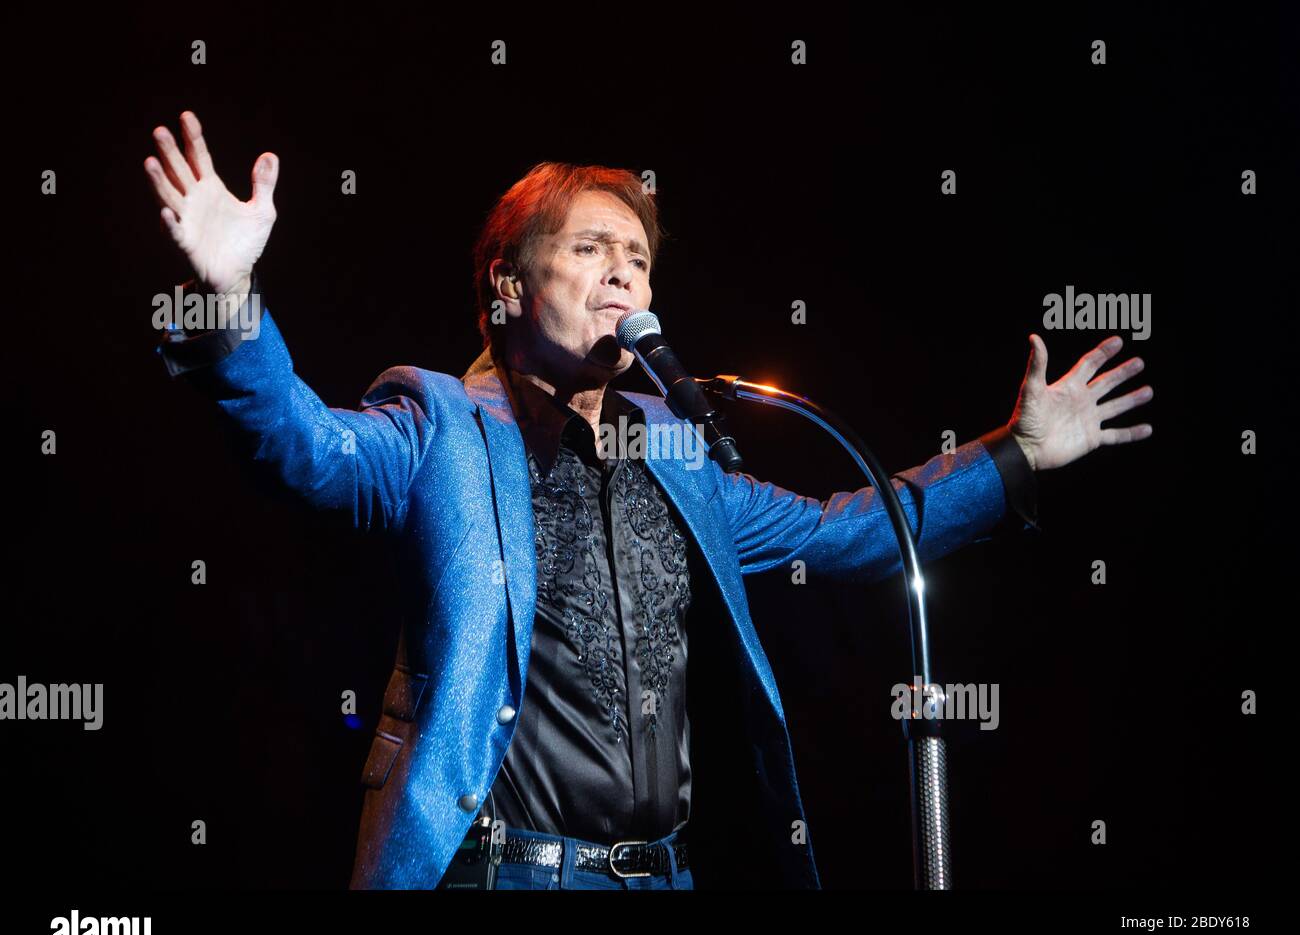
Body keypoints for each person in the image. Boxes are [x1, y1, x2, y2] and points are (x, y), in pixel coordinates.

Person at [143, 110, 1154, 889]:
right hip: (501, 874)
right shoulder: (437, 423)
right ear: (504, 285)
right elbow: (302, 447)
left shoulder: (672, 445)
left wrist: (1011, 453)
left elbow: (849, 531)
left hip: (666, 873)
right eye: (588, 249)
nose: (622, 273)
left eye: (637, 257)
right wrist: (228, 296)